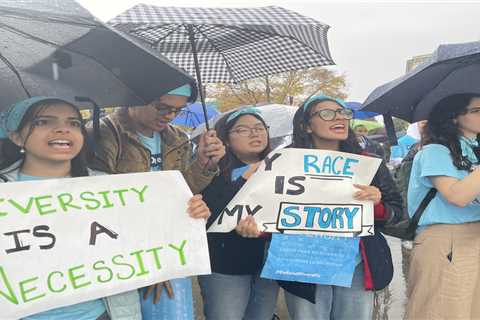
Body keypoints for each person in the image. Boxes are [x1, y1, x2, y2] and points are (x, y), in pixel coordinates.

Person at [87, 83, 225, 320]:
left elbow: (183, 190)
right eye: (162, 107)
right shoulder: (101, 133)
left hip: (170, 249)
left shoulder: (177, 137)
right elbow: (102, 201)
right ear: (135, 97)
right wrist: (152, 260)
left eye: (177, 110)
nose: (170, 116)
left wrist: (204, 162)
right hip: (122, 252)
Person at [280, 94, 402, 319]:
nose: (339, 118)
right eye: (327, 113)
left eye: (344, 113)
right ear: (306, 126)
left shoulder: (368, 163)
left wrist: (376, 204)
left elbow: (396, 213)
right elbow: (269, 214)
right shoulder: (284, 163)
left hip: (356, 263)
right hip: (303, 262)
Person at [198, 107, 279, 320]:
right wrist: (245, 179)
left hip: (269, 265)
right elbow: (210, 214)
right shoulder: (211, 170)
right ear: (225, 138)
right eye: (243, 130)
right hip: (225, 265)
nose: (255, 133)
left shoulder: (281, 169)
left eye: (260, 128)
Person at [406, 93, 480, 319]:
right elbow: (457, 196)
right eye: (477, 110)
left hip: (474, 236)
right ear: (454, 117)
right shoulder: (435, 151)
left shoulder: (472, 150)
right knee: (443, 310)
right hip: (446, 239)